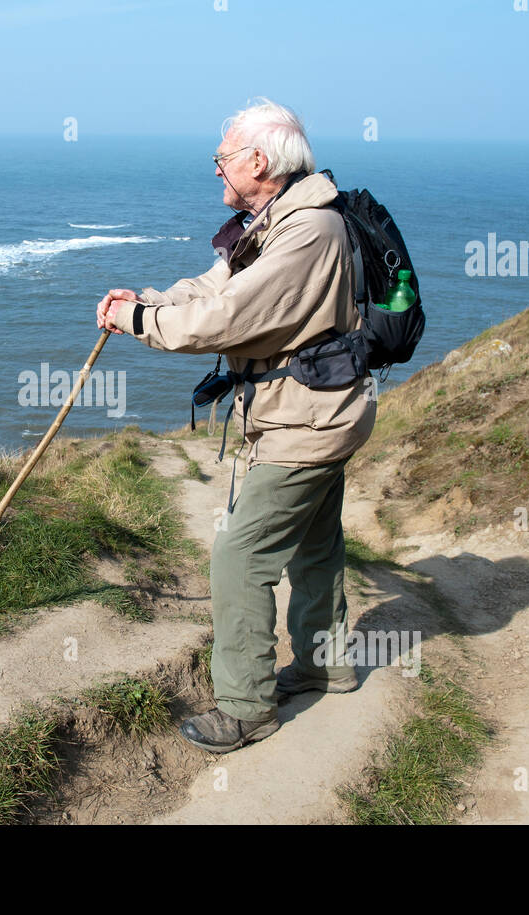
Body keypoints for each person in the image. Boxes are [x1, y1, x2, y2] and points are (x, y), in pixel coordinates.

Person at [96, 98, 376, 754]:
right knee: (313, 545)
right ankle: (323, 663)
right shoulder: (280, 221)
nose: (216, 171)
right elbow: (213, 288)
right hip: (319, 415)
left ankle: (246, 706)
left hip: (305, 423)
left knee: (240, 553)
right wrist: (147, 302)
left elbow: (228, 318)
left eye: (222, 159)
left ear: (259, 160)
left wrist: (140, 324)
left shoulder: (307, 232)